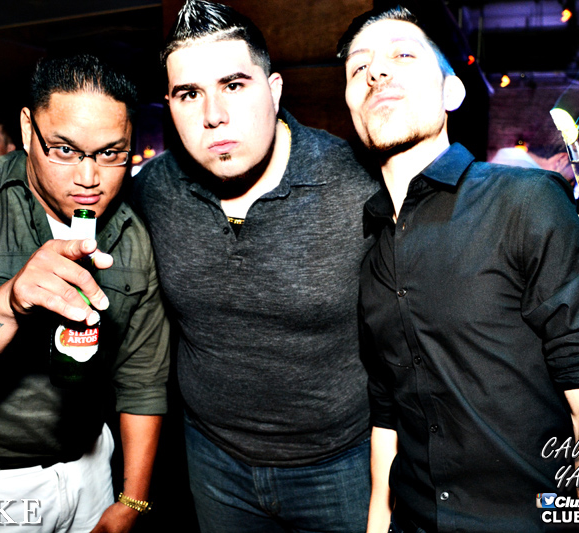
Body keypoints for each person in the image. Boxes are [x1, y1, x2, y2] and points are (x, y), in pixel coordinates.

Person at [338, 6, 579, 532]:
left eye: (403, 55)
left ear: (452, 91)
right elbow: (388, 416)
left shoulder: (525, 202)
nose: (377, 72)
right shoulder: (372, 253)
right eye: (358, 67)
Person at [131, 1, 380, 531]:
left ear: (274, 90)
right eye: (189, 94)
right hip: (212, 458)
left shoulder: (358, 184)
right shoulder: (154, 189)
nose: (213, 114)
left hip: (339, 463)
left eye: (234, 85)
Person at [0, 54, 169, 532]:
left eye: (111, 153)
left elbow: (143, 380)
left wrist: (133, 500)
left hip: (92, 472)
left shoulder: (130, 232)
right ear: (28, 130)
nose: (89, 178)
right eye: (65, 150)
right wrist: (9, 303)